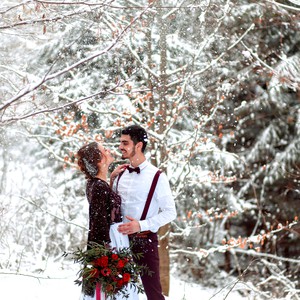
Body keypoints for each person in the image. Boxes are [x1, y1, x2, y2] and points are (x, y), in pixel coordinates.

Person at [112, 125, 177, 300]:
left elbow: (171, 212)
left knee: (153, 294)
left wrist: (140, 225)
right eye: (120, 142)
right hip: (119, 241)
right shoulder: (119, 174)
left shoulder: (157, 176)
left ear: (138, 145)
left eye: (125, 143)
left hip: (144, 241)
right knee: (117, 292)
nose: (120, 147)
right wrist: (111, 180)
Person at [77, 142, 137, 300]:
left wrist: (110, 180)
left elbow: (104, 206)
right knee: (114, 290)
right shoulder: (99, 187)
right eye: (104, 150)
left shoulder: (95, 184)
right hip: (111, 242)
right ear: (99, 160)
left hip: (113, 238)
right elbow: (98, 223)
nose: (108, 150)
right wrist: (104, 258)